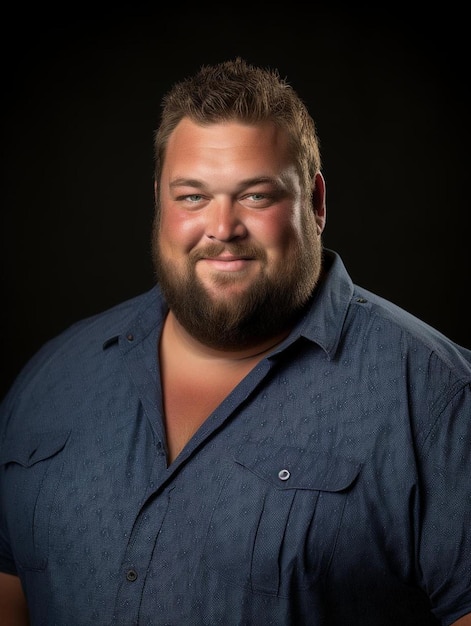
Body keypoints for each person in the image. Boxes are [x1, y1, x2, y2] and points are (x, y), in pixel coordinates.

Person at [0, 57, 469, 626]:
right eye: (193, 196)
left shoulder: (440, 398)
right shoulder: (54, 375)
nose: (222, 228)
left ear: (316, 204)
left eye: (255, 195)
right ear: (159, 202)